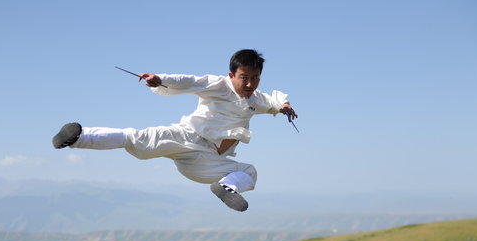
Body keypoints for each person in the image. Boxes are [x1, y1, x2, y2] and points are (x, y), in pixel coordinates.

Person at [52, 49, 298, 211]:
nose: (249, 83)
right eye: (244, 77)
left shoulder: (257, 99)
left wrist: (284, 106)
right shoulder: (217, 84)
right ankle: (77, 137)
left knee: (249, 173)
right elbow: (190, 81)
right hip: (186, 135)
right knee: (138, 138)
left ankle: (226, 188)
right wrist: (160, 79)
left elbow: (274, 101)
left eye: (255, 78)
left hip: (207, 158)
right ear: (231, 75)